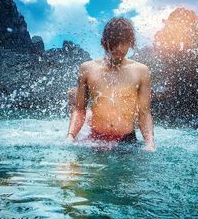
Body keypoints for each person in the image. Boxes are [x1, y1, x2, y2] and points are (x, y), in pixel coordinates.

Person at [66, 17, 155, 151]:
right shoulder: (87, 69)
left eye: (124, 43)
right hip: (95, 140)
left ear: (130, 43)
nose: (119, 48)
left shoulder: (141, 71)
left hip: (127, 141)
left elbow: (144, 113)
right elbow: (79, 109)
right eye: (114, 43)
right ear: (104, 42)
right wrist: (70, 136)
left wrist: (150, 143)